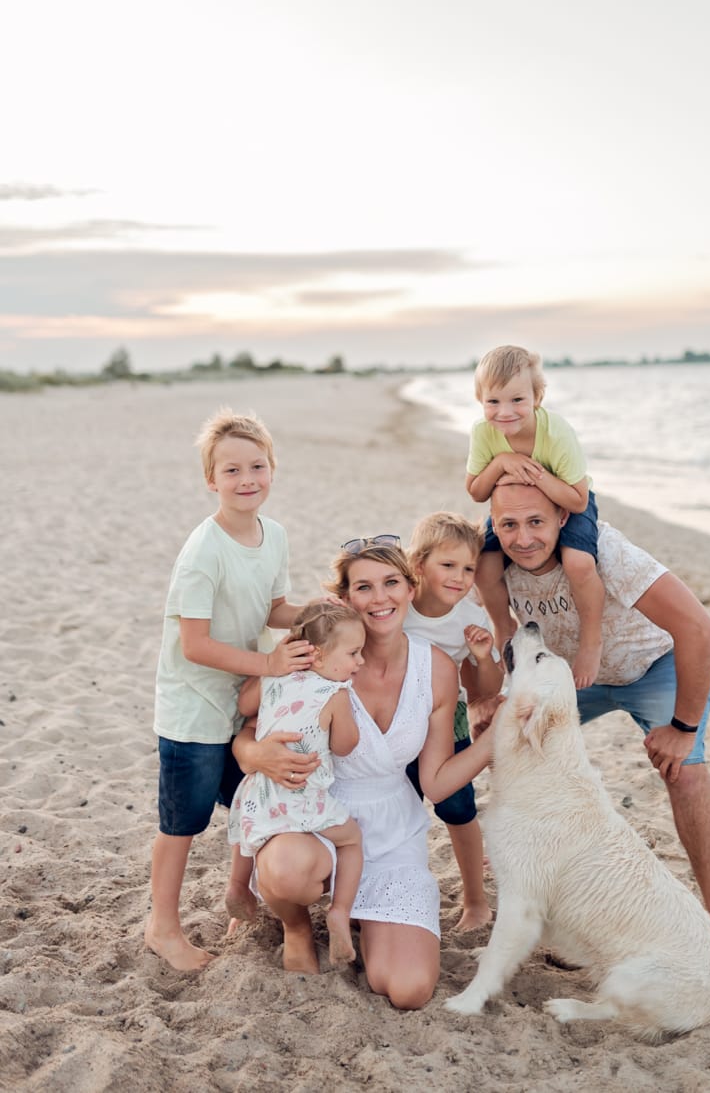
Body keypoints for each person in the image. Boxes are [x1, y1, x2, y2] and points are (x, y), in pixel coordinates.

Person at [487, 480, 710, 979]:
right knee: (515, 762)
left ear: (563, 519)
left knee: (685, 774)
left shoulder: (605, 551)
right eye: (509, 525)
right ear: (494, 526)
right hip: (571, 677)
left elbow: (699, 629)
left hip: (651, 667)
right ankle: (565, 916)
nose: (522, 538)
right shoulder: (493, 560)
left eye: (536, 522)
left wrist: (684, 727)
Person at [232, 536, 495, 1008]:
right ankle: (296, 927)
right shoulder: (312, 655)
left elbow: (434, 783)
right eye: (364, 588)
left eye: (391, 583)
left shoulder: (434, 669)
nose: (380, 599)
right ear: (345, 599)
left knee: (408, 989)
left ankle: (357, 916)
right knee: (289, 871)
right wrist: (252, 756)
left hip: (393, 828)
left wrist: (498, 739)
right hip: (314, 817)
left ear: (410, 589)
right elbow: (251, 723)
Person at [145, 409, 309, 972]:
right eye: (232, 470)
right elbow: (194, 643)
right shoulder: (203, 551)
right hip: (193, 706)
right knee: (183, 822)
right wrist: (268, 661)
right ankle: (162, 926)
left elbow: (272, 608)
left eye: (257, 466)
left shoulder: (275, 534)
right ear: (210, 481)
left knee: (250, 801)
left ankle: (240, 895)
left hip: (244, 699)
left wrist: (316, 611)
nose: (247, 479)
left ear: (272, 470)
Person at [228, 602, 366, 966]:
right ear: (318, 655)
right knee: (352, 840)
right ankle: (339, 909)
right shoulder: (336, 694)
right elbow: (344, 745)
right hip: (304, 798)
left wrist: (270, 667)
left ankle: (237, 886)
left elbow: (244, 706)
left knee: (249, 831)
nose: (359, 662)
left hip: (263, 790)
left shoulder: (273, 675)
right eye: (353, 653)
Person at [465, 344, 606, 688]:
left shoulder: (556, 432)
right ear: (480, 400)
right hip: (515, 511)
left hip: (566, 501)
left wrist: (537, 475)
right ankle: (504, 626)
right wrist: (501, 463)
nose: (505, 411)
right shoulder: (484, 433)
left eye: (517, 400)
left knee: (578, 564)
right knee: (484, 566)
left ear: (537, 397)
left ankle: (591, 640)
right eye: (493, 402)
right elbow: (476, 491)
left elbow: (576, 498)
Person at [404, 512, 503, 930]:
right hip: (394, 719)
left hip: (450, 720)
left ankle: (476, 901)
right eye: (448, 565)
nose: (459, 577)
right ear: (418, 564)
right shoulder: (397, 606)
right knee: (400, 804)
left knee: (458, 808)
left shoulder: (471, 619)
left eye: (468, 569)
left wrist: (482, 658)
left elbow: (487, 688)